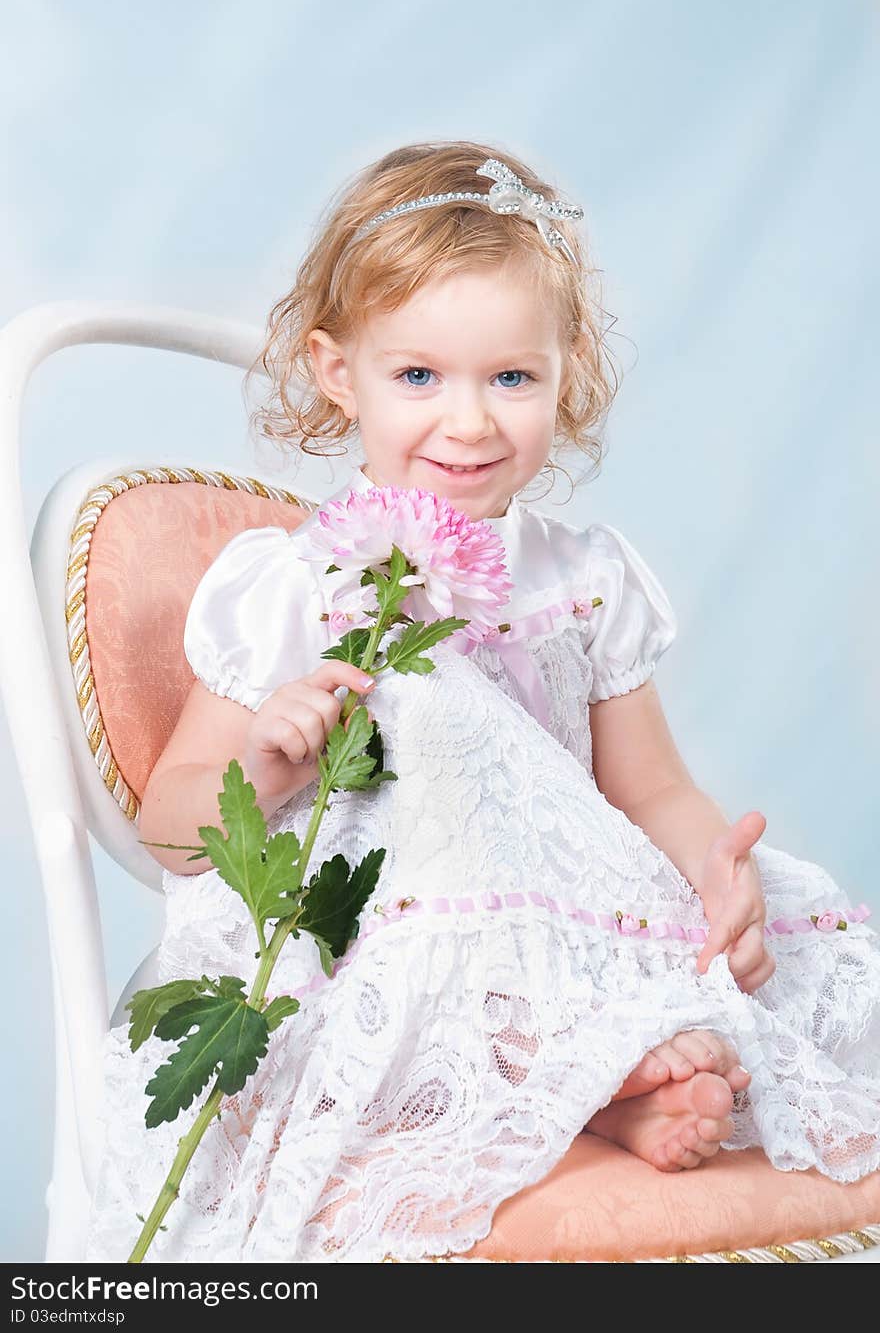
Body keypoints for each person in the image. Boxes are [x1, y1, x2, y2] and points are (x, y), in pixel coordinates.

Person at [83, 142, 879, 1264]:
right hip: (380, 948)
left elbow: (648, 789)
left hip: (553, 938)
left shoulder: (582, 576)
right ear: (334, 371)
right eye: (418, 377)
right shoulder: (300, 581)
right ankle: (605, 1091)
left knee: (739, 964)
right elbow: (172, 824)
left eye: (510, 378)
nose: (467, 422)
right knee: (438, 728)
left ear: (566, 373)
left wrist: (715, 871)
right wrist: (266, 759)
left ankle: (612, 1085)